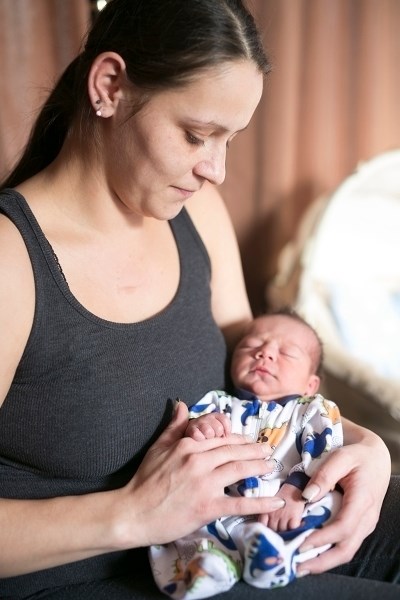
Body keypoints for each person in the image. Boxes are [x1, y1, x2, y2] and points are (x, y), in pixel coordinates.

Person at [0, 1, 398, 599]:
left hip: (260, 510)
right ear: (109, 86)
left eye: (230, 139)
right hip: (123, 569)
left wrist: (366, 446)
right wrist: (134, 513)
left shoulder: (194, 211)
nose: (216, 169)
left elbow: (256, 354)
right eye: (196, 135)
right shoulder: (12, 261)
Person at [149, 310, 344, 597]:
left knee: (334, 502)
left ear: (310, 384)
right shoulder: (219, 403)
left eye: (287, 353)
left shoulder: (313, 408)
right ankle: (211, 566)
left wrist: (297, 492)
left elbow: (325, 449)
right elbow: (188, 436)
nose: (264, 353)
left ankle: (280, 558)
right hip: (224, 508)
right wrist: (200, 426)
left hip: (290, 506)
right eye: (251, 346)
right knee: (189, 520)